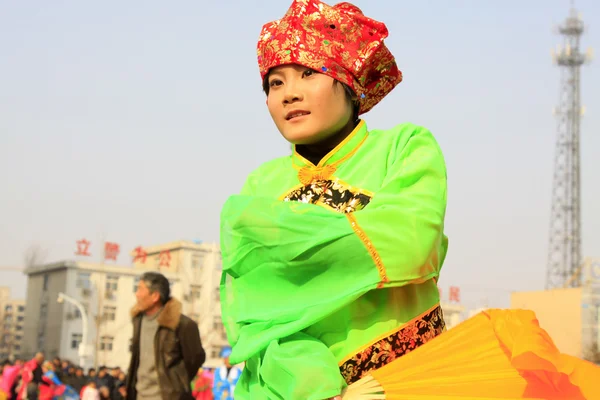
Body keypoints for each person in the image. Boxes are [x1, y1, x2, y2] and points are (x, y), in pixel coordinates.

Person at [218, 1, 600, 399]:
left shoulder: (405, 147)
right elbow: (256, 319)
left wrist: (288, 262)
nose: (289, 94)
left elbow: (409, 243)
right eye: (274, 83)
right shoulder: (259, 185)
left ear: (347, 83)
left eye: (308, 73)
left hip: (421, 375)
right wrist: (324, 389)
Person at [126, 272, 206, 400]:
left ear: (155, 296)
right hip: (139, 395)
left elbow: (195, 359)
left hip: (168, 396)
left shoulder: (182, 325)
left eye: (140, 289)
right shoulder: (138, 321)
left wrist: (178, 382)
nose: (137, 294)